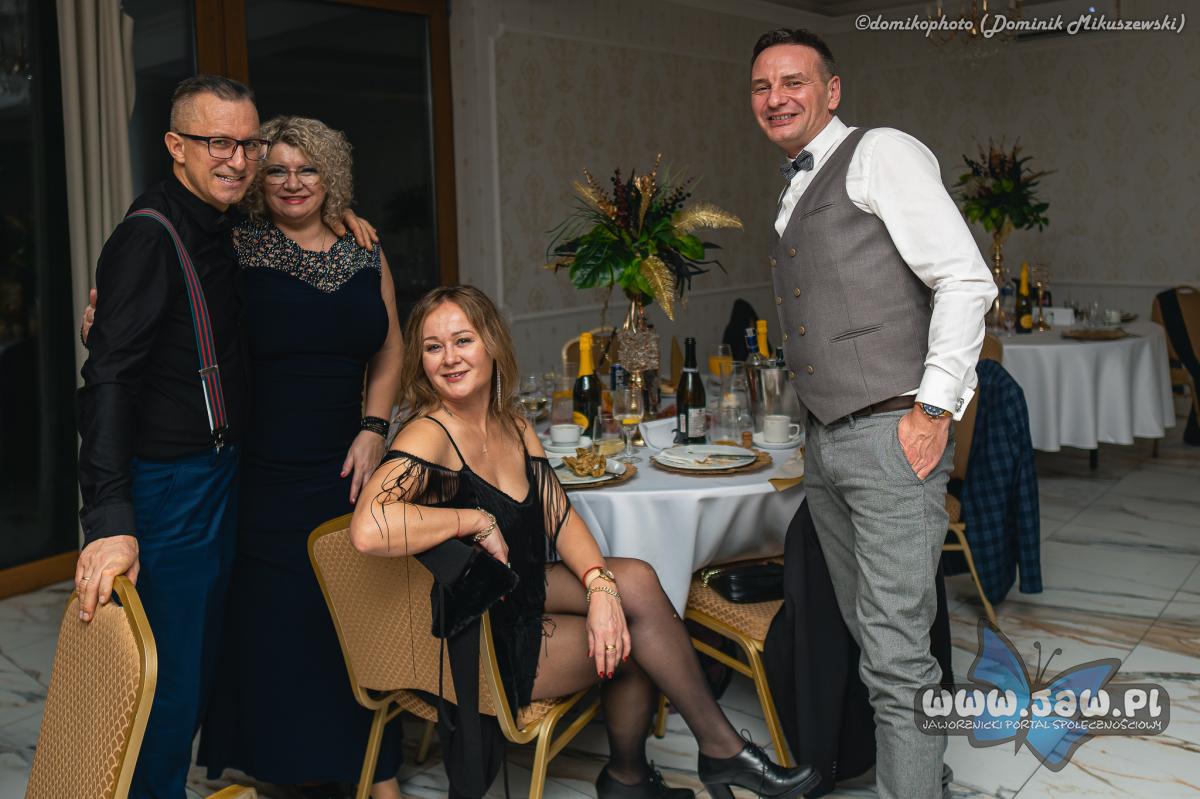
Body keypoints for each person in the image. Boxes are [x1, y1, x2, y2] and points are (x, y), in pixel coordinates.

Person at [349, 285, 821, 799]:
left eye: (462, 340)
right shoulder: (428, 434)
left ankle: (678, 763)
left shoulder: (513, 424)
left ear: (491, 343)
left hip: (520, 587)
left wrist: (599, 588)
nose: (449, 358)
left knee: (632, 583)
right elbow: (368, 527)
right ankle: (652, 772)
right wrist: (471, 519)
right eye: (433, 347)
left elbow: (560, 516)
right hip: (481, 628)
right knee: (636, 637)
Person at [75, 76, 374, 799]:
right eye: (217, 142)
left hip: (224, 472)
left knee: (205, 657)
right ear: (175, 146)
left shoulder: (223, 226)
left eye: (247, 144)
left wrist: (339, 211)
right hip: (173, 483)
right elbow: (109, 379)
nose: (237, 160)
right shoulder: (149, 235)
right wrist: (109, 520)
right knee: (168, 675)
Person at [748, 29, 997, 799]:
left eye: (794, 81)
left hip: (890, 433)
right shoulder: (796, 186)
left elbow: (965, 279)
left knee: (894, 652)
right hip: (828, 442)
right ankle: (926, 775)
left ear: (832, 91)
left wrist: (932, 409)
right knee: (874, 637)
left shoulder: (880, 152)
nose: (776, 98)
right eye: (761, 86)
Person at [196, 116, 404, 798]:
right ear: (259, 178)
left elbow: (391, 346)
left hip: (349, 464)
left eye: (308, 168)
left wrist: (375, 426)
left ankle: (376, 769)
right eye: (278, 169)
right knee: (279, 626)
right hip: (265, 467)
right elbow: (178, 304)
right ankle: (284, 774)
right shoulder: (236, 244)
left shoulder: (365, 248)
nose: (292, 182)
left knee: (356, 618)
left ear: (330, 175)